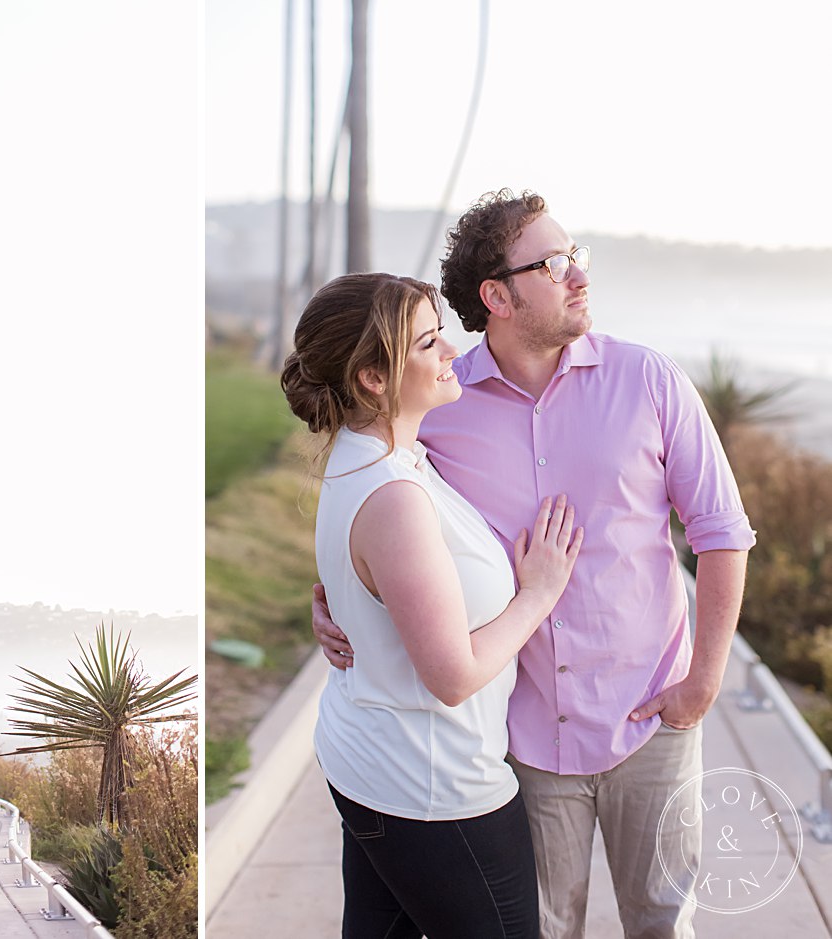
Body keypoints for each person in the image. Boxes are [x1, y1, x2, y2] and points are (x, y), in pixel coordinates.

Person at [313, 189, 754, 938]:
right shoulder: (437, 404)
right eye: (554, 264)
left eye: (575, 256)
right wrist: (335, 598)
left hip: (652, 722)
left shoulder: (649, 379)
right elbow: (381, 511)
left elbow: (721, 530)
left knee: (664, 923)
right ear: (498, 295)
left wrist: (702, 682)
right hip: (528, 742)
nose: (578, 275)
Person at [281, 272, 583, 937]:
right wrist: (539, 592)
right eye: (427, 342)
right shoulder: (392, 492)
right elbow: (451, 673)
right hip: (434, 787)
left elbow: (376, 582)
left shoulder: (383, 456)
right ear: (373, 378)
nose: (451, 350)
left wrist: (341, 605)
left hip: (377, 765)